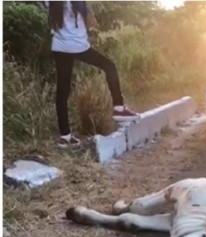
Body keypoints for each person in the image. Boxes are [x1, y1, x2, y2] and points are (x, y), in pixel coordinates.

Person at [45, 1, 140, 149]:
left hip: (60, 47)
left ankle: (65, 137)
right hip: (78, 46)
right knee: (109, 66)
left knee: (62, 91)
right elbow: (91, 24)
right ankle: (119, 108)